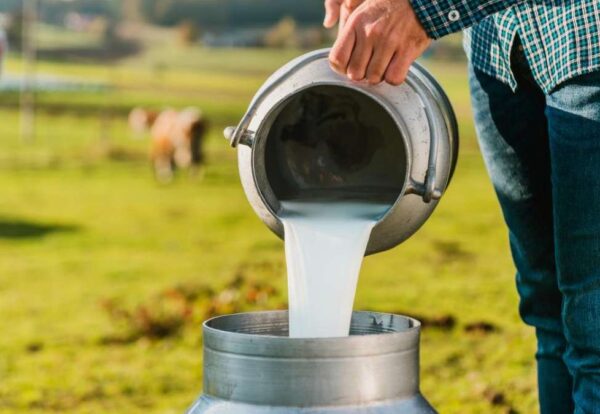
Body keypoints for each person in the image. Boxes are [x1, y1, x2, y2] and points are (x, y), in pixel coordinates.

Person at [322, 0, 600, 413]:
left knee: (593, 323)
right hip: (498, 48)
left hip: (587, 41)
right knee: (549, 309)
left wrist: (424, 8)